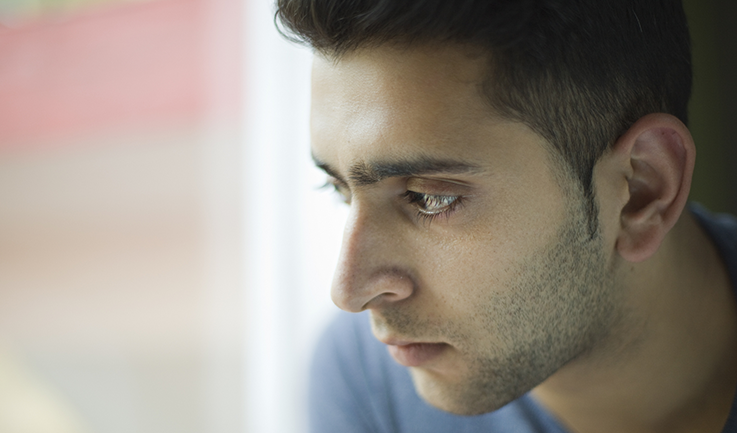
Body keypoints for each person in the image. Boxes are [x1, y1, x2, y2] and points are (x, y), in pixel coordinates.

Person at [276, 1, 737, 432]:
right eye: (339, 189)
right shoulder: (367, 380)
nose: (349, 292)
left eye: (429, 199)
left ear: (640, 191)